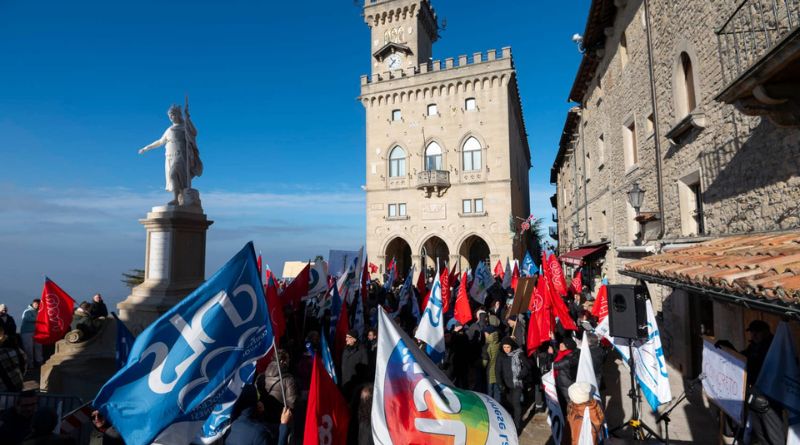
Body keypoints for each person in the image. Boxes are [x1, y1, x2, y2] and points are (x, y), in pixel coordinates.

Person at [138, 103, 203, 205]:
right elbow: (160, 141)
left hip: (181, 156)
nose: (171, 118)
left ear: (178, 114)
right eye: (169, 116)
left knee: (173, 174)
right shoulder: (169, 129)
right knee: (175, 178)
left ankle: (176, 199)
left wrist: (188, 118)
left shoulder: (184, 126)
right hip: (169, 157)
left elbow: (194, 132)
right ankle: (180, 198)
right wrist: (146, 148)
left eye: (172, 115)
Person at [226, 385, 291, 445]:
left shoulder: (231, 426)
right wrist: (284, 425)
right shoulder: (259, 433)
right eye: (257, 399)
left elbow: (256, 424)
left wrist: (259, 412)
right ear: (253, 402)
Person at [496, 337, 530, 433]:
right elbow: (498, 371)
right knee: (508, 404)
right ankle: (510, 422)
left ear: (512, 346)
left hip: (517, 384)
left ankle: (517, 426)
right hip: (506, 385)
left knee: (516, 404)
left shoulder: (519, 354)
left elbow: (528, 366)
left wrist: (520, 375)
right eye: (504, 347)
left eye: (508, 347)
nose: (506, 349)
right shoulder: (501, 356)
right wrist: (500, 384)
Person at [257, 349, 298, 427]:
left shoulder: (261, 377)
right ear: (282, 361)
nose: (289, 361)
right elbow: (292, 403)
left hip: (264, 418)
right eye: (287, 359)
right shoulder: (288, 380)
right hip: (281, 420)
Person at [341, 330, 368, 400]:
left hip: (356, 385)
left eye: (348, 337)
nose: (346, 339)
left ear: (354, 339)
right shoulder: (345, 349)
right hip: (345, 382)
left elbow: (365, 367)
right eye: (346, 337)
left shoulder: (362, 350)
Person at [0, 326, 26, 392]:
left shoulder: (2, 353)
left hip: (3, 390)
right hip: (18, 386)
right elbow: (24, 366)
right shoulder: (18, 350)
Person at [20, 300, 42, 367]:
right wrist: (40, 318)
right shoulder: (27, 311)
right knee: (28, 348)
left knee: (39, 348)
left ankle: (39, 362)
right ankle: (30, 364)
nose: (37, 305)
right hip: (27, 332)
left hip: (37, 332)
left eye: (38, 304)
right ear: (33, 304)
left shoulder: (39, 312)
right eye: (36, 304)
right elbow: (27, 318)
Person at [482, 325, 501, 402]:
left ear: (488, 334)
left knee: (490, 392)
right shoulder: (499, 343)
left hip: (490, 372)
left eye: (485, 333)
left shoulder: (487, 346)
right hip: (498, 371)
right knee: (497, 391)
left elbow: (484, 362)